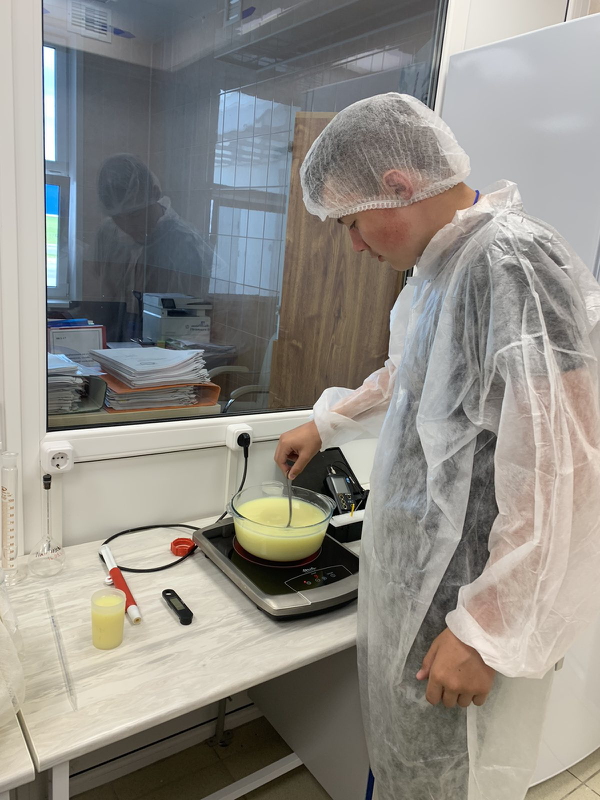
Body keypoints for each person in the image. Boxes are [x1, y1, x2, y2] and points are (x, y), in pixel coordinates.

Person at [274, 93, 600, 800]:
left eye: (352, 223)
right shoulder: (441, 271)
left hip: (466, 604)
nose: (354, 246)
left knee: (452, 780)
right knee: (406, 772)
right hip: (423, 589)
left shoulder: (511, 261)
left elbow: (564, 462)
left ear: (398, 185)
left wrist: (488, 627)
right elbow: (413, 375)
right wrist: (327, 423)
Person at [94, 154, 214, 326]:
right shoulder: (109, 233)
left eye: (135, 215)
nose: (128, 227)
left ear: (155, 193)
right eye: (118, 217)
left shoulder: (186, 245)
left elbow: (190, 322)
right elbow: (102, 293)